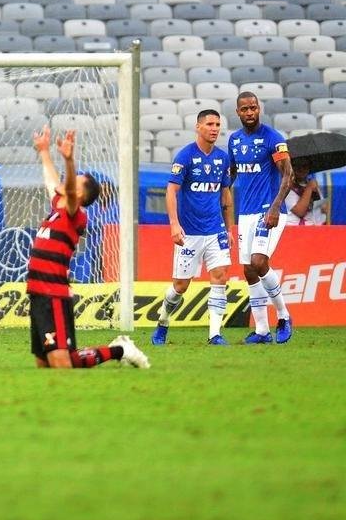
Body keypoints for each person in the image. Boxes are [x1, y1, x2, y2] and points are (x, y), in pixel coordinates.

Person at [27, 129, 148, 369]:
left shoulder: (75, 215)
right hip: (38, 294)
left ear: (80, 194)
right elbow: (52, 181)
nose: (65, 181)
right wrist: (44, 152)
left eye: (74, 181)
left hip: (54, 295)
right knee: (45, 364)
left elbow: (69, 190)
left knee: (62, 364)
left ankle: (120, 350)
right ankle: (120, 349)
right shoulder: (57, 207)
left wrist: (69, 160)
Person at [153, 109, 236, 346]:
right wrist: (174, 224)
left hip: (215, 230)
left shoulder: (223, 158)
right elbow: (171, 191)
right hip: (189, 233)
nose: (214, 128)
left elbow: (226, 194)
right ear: (198, 127)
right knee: (180, 286)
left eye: (217, 124)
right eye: (209, 124)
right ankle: (163, 321)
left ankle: (214, 334)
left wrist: (229, 229)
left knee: (220, 276)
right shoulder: (185, 156)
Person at [228, 91, 295, 344]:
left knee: (258, 261)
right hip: (246, 213)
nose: (249, 113)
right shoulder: (234, 141)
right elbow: (232, 173)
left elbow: (288, 175)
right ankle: (262, 331)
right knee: (248, 270)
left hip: (269, 210)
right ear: (238, 112)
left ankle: (284, 316)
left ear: (259, 109)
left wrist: (276, 208)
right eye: (244, 109)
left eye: (253, 108)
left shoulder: (273, 138)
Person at [286, 159, 326, 226]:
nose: (301, 169)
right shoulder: (287, 186)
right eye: (297, 166)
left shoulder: (312, 184)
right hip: (292, 229)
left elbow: (323, 208)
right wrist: (309, 188)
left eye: (304, 166)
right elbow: (300, 212)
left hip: (311, 228)